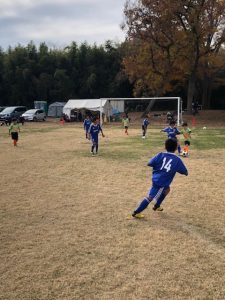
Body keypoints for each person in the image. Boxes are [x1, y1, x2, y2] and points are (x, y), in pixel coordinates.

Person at [132, 138, 188, 218]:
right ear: (176, 148)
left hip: (156, 178)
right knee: (150, 197)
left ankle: (157, 206)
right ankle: (136, 212)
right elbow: (185, 172)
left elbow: (149, 163)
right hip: (162, 182)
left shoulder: (160, 154)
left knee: (167, 190)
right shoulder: (177, 159)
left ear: (165, 147)